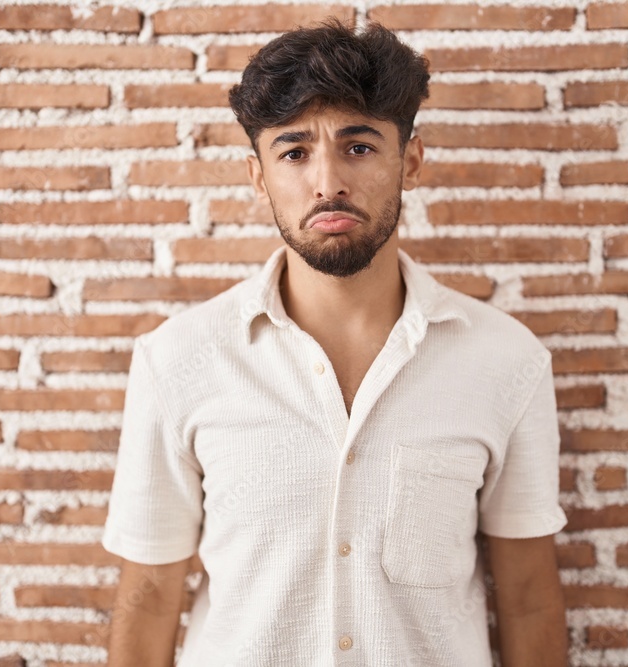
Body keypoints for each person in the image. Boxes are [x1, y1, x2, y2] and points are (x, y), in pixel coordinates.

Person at [101, 16, 569, 667]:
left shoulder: (505, 361)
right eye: (294, 152)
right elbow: (150, 594)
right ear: (259, 176)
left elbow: (526, 597)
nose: (328, 182)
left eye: (359, 146)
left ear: (410, 159)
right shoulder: (177, 361)